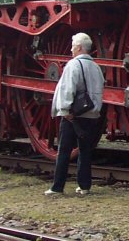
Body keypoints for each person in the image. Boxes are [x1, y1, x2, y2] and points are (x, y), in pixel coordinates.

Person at [45, 32, 104, 196]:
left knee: (64, 150)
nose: (71, 50)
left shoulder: (73, 65)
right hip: (91, 114)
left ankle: (57, 187)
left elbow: (67, 88)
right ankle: (85, 186)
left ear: (78, 48)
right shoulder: (96, 67)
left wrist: (64, 110)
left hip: (74, 115)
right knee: (85, 151)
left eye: (72, 46)